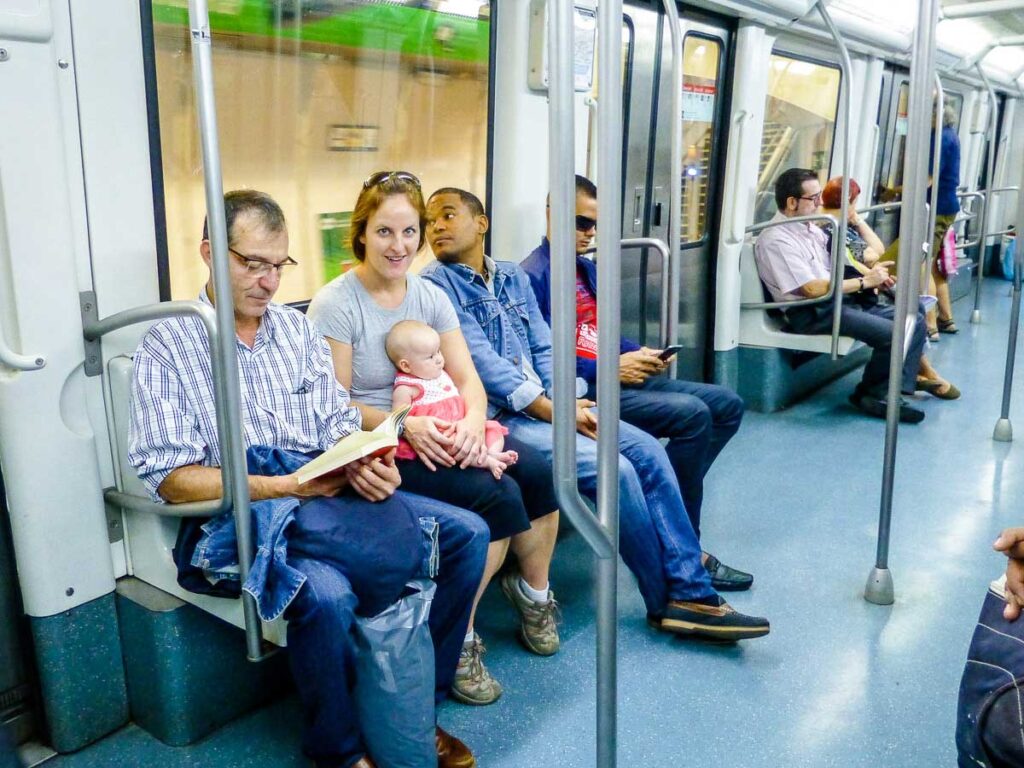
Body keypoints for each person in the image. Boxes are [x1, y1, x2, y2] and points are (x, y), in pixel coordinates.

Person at [128, 189, 485, 768]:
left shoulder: (295, 334)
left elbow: (340, 422)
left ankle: (416, 714)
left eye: (278, 266)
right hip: (251, 512)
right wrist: (287, 486)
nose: (268, 283)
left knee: (466, 535)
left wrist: (371, 459)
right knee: (327, 593)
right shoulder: (170, 346)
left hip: (325, 496)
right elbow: (173, 480)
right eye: (252, 263)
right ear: (210, 253)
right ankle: (339, 751)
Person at [421, 186, 771, 642]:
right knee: (619, 470)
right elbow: (484, 367)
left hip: (552, 405)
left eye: (448, 215)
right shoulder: (434, 286)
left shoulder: (510, 276)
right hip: (503, 418)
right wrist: (557, 411)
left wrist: (568, 400)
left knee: (647, 451)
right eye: (430, 222)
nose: (437, 227)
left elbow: (544, 346)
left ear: (481, 223)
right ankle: (673, 599)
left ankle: (689, 586)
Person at [307, 172, 561, 707]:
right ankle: (461, 635)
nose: (398, 246)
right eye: (383, 233)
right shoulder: (336, 303)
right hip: (388, 440)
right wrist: (407, 424)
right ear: (361, 234)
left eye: (407, 232)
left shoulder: (429, 294)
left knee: (539, 469)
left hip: (446, 426)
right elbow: (334, 405)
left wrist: (472, 424)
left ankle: (534, 593)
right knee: (497, 495)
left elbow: (467, 377)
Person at [520, 175, 751, 586]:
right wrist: (609, 369)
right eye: (581, 223)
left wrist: (636, 353)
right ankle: (684, 545)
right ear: (552, 215)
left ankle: (667, 517)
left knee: (727, 405)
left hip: (614, 377)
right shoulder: (531, 278)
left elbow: (601, 332)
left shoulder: (585, 270)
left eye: (596, 225)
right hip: (584, 391)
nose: (589, 234)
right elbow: (540, 361)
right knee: (693, 417)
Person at [754, 168, 928, 424]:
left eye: (819, 197)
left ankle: (893, 390)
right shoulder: (777, 239)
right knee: (894, 334)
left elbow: (839, 265)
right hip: (812, 312)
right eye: (813, 199)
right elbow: (811, 288)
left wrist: (872, 277)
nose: (819, 204)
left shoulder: (812, 229)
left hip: (840, 302)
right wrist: (863, 282)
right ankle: (872, 394)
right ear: (791, 203)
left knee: (914, 315)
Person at [820, 176, 960, 401]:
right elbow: (872, 255)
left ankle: (912, 377)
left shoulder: (843, 227)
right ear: (849, 202)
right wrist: (873, 275)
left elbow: (876, 250)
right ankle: (913, 376)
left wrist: (856, 220)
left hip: (860, 291)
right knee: (906, 319)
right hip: (852, 297)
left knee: (914, 310)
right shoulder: (831, 229)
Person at [387, 319, 518, 480]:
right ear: (406, 366)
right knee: (454, 445)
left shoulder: (439, 373)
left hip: (460, 423)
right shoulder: (406, 387)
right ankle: (487, 461)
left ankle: (492, 452)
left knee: (493, 429)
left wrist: (473, 418)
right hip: (441, 432)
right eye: (430, 356)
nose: (439, 359)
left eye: (438, 352)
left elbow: (467, 381)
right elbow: (399, 418)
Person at [880, 104, 962, 339]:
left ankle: (930, 325)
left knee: (921, 263)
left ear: (934, 116)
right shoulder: (951, 136)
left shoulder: (938, 139)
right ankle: (946, 319)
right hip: (946, 206)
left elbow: (924, 181)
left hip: (933, 209)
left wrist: (892, 192)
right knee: (933, 262)